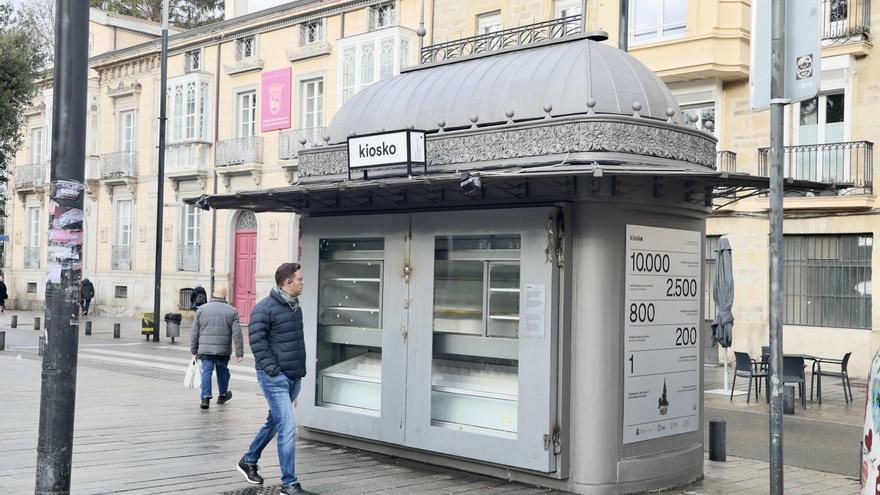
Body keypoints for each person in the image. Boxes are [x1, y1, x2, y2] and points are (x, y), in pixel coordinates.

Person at [237, 263, 312, 495]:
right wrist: (273, 370)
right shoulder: (265, 308)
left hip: (293, 376)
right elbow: (257, 341)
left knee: (275, 421)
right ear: (287, 283)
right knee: (288, 425)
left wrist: (299, 370)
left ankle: (249, 460)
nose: (303, 282)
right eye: (299, 279)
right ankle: (289, 484)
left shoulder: (295, 307)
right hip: (274, 378)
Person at [190, 285, 243, 410]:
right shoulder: (232, 311)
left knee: (206, 371)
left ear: (213, 294)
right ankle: (223, 394)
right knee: (222, 371)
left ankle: (205, 397)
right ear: (225, 296)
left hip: (205, 349)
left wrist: (194, 350)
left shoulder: (201, 310)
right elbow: (237, 333)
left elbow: (194, 332)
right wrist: (239, 352)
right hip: (223, 350)